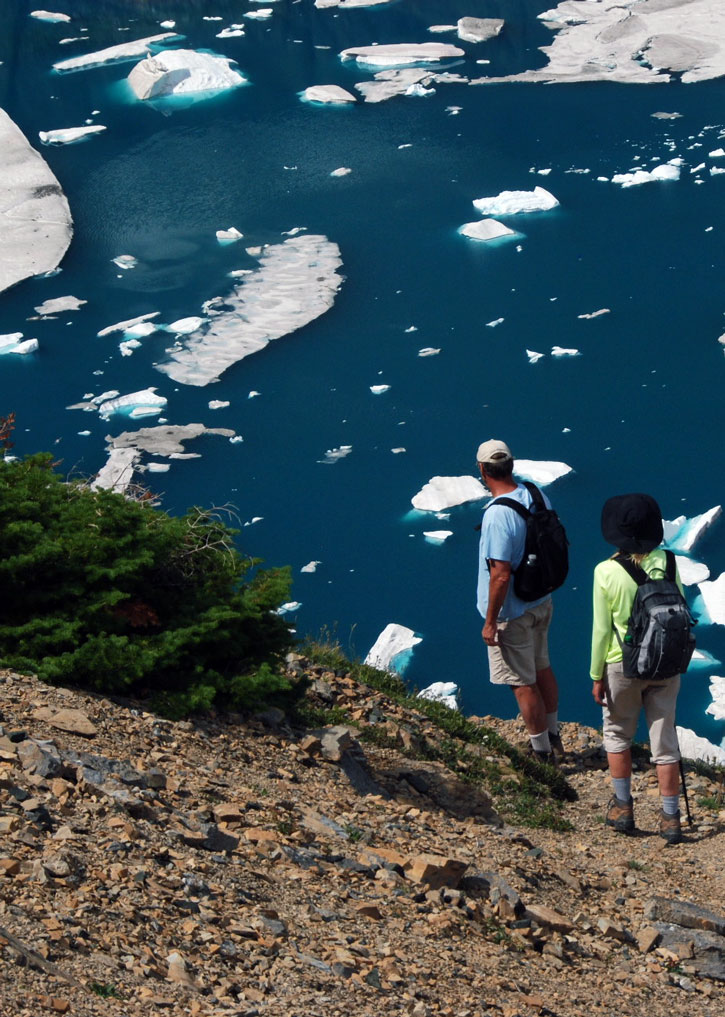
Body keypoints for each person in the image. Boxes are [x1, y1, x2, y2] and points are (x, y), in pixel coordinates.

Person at [591, 493, 683, 844]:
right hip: (666, 665)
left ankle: (623, 808)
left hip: (622, 665)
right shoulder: (671, 564)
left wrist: (595, 675)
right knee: (665, 742)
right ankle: (671, 818)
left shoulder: (606, 572)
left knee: (617, 736)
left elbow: (601, 630)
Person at [476, 439, 563, 764]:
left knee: (522, 683)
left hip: (512, 613)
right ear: (511, 465)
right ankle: (553, 736)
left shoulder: (498, 515)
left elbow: (499, 575)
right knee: (542, 668)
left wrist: (490, 621)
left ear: (483, 470)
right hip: (541, 600)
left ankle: (541, 755)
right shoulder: (535, 494)